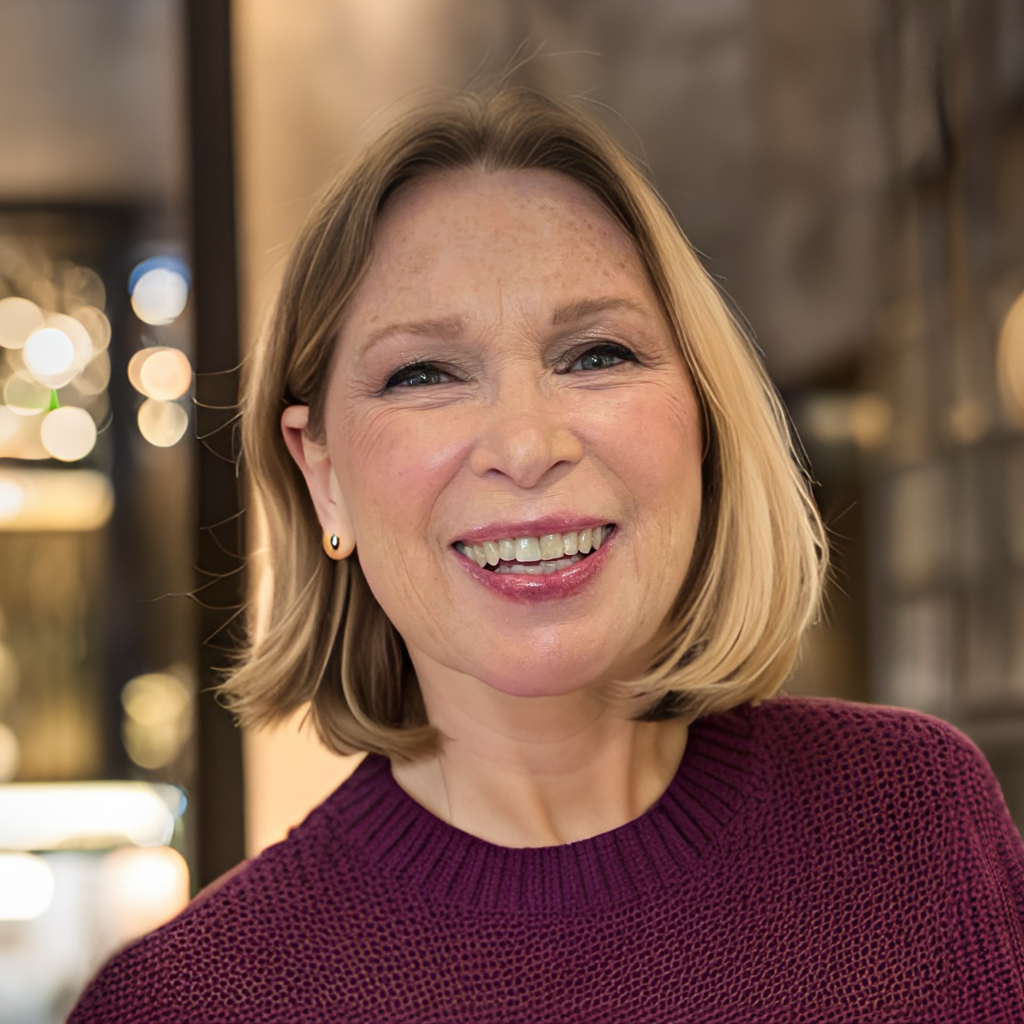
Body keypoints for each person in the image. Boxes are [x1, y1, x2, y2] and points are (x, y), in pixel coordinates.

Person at [69, 87, 1024, 1023]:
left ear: (702, 418)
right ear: (322, 475)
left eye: (596, 354)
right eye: (424, 374)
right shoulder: (184, 1002)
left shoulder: (916, 822)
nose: (526, 446)